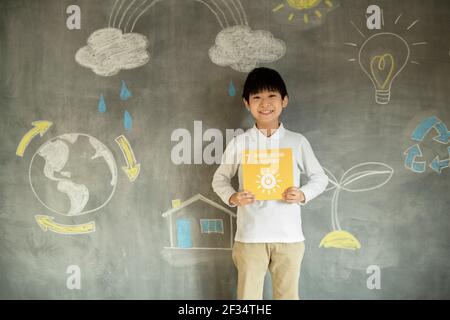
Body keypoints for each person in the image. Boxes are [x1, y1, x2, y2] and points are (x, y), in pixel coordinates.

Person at [212, 67, 328, 300]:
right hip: (250, 236)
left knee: (287, 296)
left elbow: (320, 178)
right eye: (256, 97)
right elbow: (220, 179)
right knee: (248, 300)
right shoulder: (240, 143)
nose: (264, 103)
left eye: (272, 96)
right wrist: (233, 197)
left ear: (284, 100)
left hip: (289, 237)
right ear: (247, 103)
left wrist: (302, 194)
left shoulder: (297, 142)